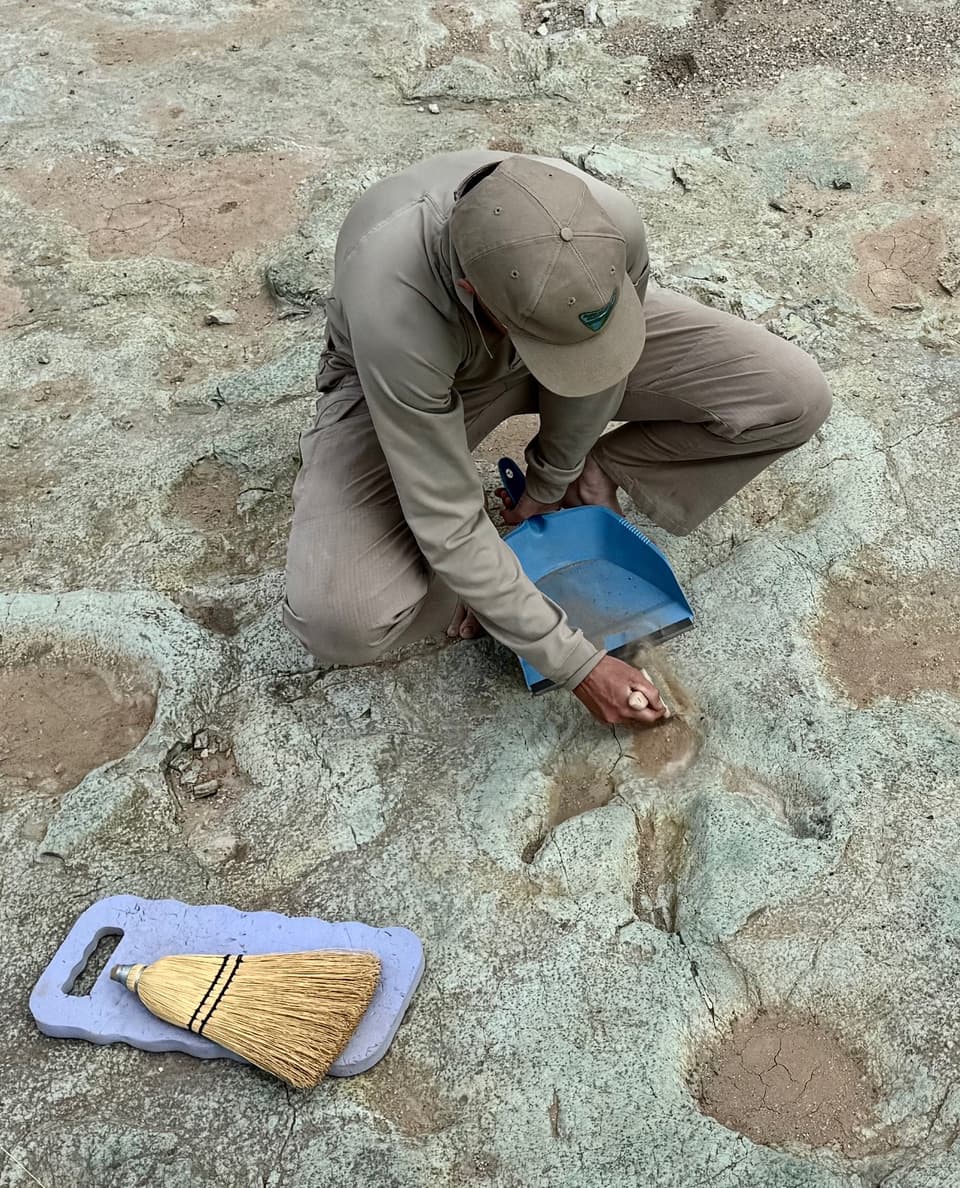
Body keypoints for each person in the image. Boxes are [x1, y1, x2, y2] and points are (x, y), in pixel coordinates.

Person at [283, 151, 831, 727]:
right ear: (473, 291)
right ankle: (476, 579)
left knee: (790, 396)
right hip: (410, 377)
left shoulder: (608, 226)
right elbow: (444, 514)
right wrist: (574, 660)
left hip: (560, 328)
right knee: (340, 617)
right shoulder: (395, 301)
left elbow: (601, 368)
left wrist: (554, 476)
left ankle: (596, 477)